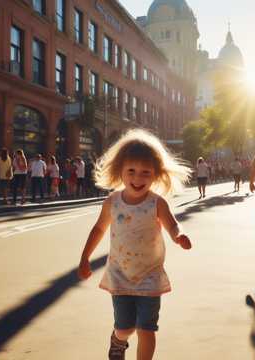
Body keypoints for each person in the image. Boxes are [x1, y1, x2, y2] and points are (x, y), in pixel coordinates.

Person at [77, 129, 192, 360]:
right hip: (120, 274)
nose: (138, 178)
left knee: (147, 329)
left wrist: (179, 236)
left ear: (156, 175)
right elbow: (99, 229)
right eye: (131, 171)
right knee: (125, 328)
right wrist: (85, 257)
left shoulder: (157, 203)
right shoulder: (112, 202)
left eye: (145, 173)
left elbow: (172, 224)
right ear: (120, 170)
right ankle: (118, 340)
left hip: (150, 275)